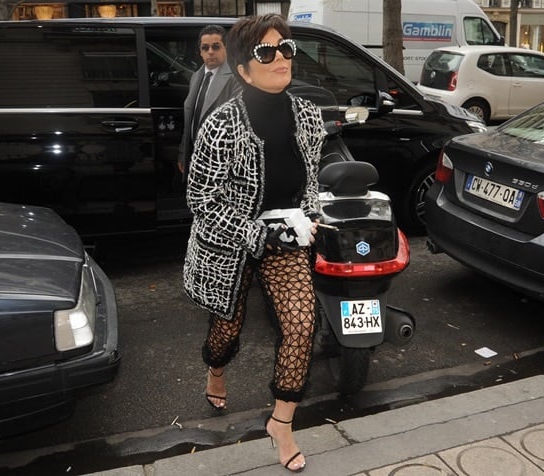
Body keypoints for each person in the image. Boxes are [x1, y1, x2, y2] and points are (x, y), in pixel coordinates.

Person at [183, 14, 325, 473]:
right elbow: (200, 197)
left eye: (286, 48)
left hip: (285, 235)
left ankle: (281, 423)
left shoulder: (307, 113)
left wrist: (311, 217)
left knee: (302, 323)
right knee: (227, 329)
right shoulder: (222, 124)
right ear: (243, 69)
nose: (281, 57)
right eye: (267, 52)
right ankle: (216, 370)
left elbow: (310, 177)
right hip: (229, 242)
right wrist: (253, 233)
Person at [177, 24, 239, 178]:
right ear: (200, 52)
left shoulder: (236, 78)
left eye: (215, 47)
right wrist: (183, 153)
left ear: (226, 48)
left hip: (221, 162)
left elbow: (239, 124)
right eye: (205, 48)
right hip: (195, 158)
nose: (210, 52)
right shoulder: (196, 76)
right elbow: (190, 120)